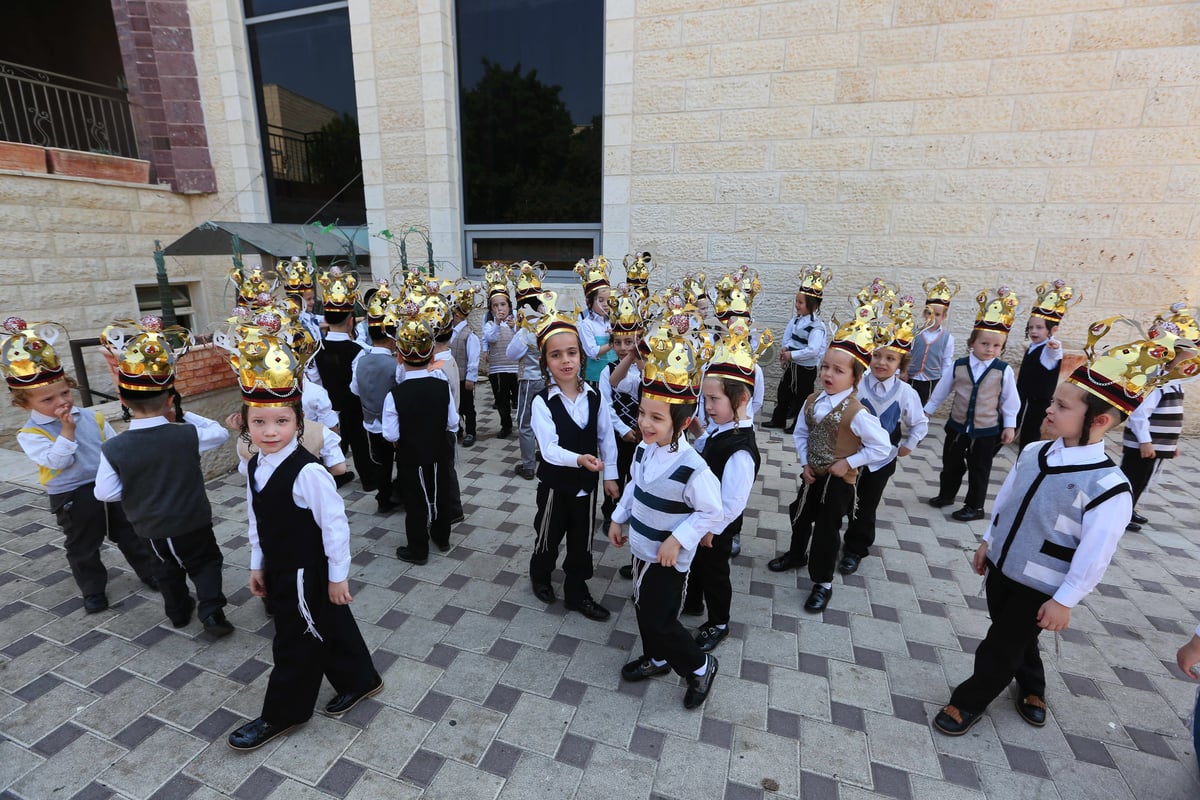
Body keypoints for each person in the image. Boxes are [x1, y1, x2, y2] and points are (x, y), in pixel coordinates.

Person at [931, 321, 1182, 736]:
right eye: (1054, 400)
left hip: (1042, 584)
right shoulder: (1032, 451)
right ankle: (1033, 686)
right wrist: (988, 542)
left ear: (1099, 421)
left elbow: (1096, 553)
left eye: (1063, 406)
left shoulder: (1109, 487)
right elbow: (1007, 502)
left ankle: (967, 702)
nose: (1049, 409)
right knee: (1018, 639)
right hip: (1002, 566)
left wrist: (1065, 599)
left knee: (1001, 645)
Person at [225, 334, 382, 752]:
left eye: (281, 421)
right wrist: (257, 563)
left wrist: (337, 578)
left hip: (304, 572)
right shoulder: (255, 464)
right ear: (245, 424)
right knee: (328, 623)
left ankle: (283, 713)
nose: (270, 431)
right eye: (259, 422)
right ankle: (362, 679)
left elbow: (335, 526)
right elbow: (258, 517)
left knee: (295, 641)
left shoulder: (308, 473)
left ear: (298, 422)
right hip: (279, 567)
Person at [4, 318, 159, 613]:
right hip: (72, 494)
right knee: (83, 545)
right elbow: (56, 462)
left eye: (65, 393)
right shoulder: (30, 434)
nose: (60, 401)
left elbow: (113, 447)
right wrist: (66, 432)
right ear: (25, 404)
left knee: (130, 533)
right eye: (47, 399)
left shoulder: (92, 417)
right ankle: (93, 590)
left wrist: (127, 474)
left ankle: (150, 572)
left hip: (109, 486)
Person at [609, 321, 723, 708]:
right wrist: (618, 517)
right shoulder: (643, 449)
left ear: (684, 423)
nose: (644, 423)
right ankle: (658, 657)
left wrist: (679, 539)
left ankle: (699, 665)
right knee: (643, 606)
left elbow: (712, 510)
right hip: (641, 545)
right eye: (643, 413)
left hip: (668, 556)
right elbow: (633, 486)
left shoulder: (694, 468)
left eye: (657, 418)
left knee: (661, 616)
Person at [93, 318, 232, 635]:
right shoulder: (186, 435)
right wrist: (181, 415)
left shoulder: (114, 447)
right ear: (170, 400)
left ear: (124, 401)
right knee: (206, 562)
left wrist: (137, 488)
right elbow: (220, 433)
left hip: (150, 528)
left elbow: (105, 493)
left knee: (165, 569)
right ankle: (212, 613)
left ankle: (179, 613)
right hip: (193, 521)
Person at [766, 306, 890, 613]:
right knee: (799, 514)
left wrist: (848, 462)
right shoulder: (813, 401)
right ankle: (797, 555)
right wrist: (804, 464)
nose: (827, 375)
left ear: (856, 378)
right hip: (812, 474)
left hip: (837, 482)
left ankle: (823, 582)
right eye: (825, 367)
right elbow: (800, 434)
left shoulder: (856, 412)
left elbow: (882, 447)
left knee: (826, 530)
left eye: (838, 370)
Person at [527, 291, 619, 621]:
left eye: (571, 353)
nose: (565, 360)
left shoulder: (594, 396)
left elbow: (606, 436)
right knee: (549, 535)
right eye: (555, 355)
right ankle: (540, 575)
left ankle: (577, 592)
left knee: (582, 540)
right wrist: (579, 459)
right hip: (555, 485)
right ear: (545, 361)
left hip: (585, 485)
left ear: (581, 355)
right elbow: (549, 449)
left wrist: (609, 476)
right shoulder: (542, 402)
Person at [682, 321, 766, 652]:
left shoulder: (742, 449)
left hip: (717, 526)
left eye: (714, 399)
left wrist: (711, 529)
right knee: (698, 565)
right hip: (706, 520)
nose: (709, 406)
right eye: (706, 399)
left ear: (741, 398)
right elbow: (707, 450)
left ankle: (719, 621)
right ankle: (692, 601)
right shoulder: (722, 428)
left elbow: (733, 502)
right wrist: (699, 431)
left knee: (715, 573)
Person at [840, 299, 928, 575]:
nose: (881, 362)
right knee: (841, 497)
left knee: (866, 503)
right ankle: (828, 538)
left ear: (901, 364)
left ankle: (855, 548)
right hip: (850, 455)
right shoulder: (857, 383)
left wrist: (908, 446)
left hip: (881, 459)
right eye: (877, 355)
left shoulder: (905, 393)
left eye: (890, 358)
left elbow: (920, 422)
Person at [925, 287, 1021, 523]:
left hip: (986, 430)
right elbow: (942, 390)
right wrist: (926, 412)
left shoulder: (1002, 370)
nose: (990, 349)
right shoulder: (959, 365)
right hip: (958, 426)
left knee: (980, 469)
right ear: (972, 342)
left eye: (996, 346)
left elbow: (1010, 400)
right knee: (951, 464)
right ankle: (947, 494)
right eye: (985, 343)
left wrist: (1009, 426)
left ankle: (975, 506)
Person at [384, 303, 460, 565]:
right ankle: (442, 536)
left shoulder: (395, 395)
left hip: (410, 455)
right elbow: (452, 422)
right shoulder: (441, 386)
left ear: (401, 357)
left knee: (415, 501)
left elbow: (390, 433)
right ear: (430, 355)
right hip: (439, 450)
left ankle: (418, 550)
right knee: (439, 491)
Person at [1120, 302, 1197, 532]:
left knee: (1144, 478)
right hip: (1143, 443)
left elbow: (1171, 415)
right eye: (1184, 358)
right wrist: (1145, 440)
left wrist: (1170, 444)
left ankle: (1130, 508)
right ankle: (1121, 511)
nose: (1188, 364)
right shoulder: (1156, 381)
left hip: (1157, 444)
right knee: (1132, 476)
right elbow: (1140, 413)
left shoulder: (1173, 382)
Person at [310, 268, 371, 489]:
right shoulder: (359, 350)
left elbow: (315, 379)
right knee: (360, 443)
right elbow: (358, 386)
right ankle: (369, 480)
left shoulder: (318, 348)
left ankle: (330, 476)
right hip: (353, 408)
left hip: (329, 405)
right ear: (350, 321)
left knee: (332, 443)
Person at [350, 285, 401, 514]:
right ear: (392, 338)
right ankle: (396, 494)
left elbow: (355, 389)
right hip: (393, 424)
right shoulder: (394, 366)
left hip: (370, 421)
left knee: (380, 462)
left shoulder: (360, 361)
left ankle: (383, 497)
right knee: (398, 460)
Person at [599, 286, 645, 529]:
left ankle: (637, 510)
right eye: (618, 342)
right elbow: (606, 406)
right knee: (615, 470)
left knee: (638, 474)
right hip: (618, 434)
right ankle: (611, 511)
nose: (623, 347)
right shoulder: (607, 373)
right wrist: (621, 429)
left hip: (644, 434)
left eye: (629, 341)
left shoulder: (646, 370)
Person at [764, 266, 828, 432]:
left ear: (812, 304)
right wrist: (785, 350)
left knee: (802, 397)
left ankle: (798, 425)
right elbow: (788, 337)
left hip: (805, 368)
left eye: (800, 302)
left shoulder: (817, 326)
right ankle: (779, 419)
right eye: (797, 302)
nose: (797, 305)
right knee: (783, 392)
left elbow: (813, 350)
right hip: (792, 365)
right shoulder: (796, 320)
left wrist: (791, 354)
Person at [1016, 281, 1072, 448]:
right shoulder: (1033, 347)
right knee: (1012, 426)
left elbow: (1054, 354)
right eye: (1031, 327)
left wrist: (1055, 346)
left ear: (1052, 330)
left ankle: (1024, 464)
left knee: (1029, 433)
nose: (1033, 331)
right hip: (1023, 398)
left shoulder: (1049, 348)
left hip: (1035, 401)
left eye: (1039, 328)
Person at [507, 271, 546, 480]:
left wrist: (517, 331)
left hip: (529, 379)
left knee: (525, 422)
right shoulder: (547, 323)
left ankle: (529, 465)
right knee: (546, 419)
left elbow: (511, 353)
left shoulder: (526, 329)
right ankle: (547, 456)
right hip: (548, 379)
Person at [906, 278, 959, 404]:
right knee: (906, 403)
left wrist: (945, 380)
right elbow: (904, 353)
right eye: (929, 313)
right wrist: (901, 371)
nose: (932, 317)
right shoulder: (913, 333)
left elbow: (946, 360)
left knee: (922, 405)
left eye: (937, 314)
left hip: (931, 379)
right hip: (910, 376)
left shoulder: (947, 338)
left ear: (944, 316)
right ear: (924, 313)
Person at [483, 267, 519, 440]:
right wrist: (497, 323)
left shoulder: (516, 323)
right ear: (490, 309)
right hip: (498, 369)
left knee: (518, 398)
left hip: (516, 369)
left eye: (503, 304)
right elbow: (490, 338)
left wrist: (515, 327)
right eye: (495, 305)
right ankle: (506, 425)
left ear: (509, 306)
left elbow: (522, 340)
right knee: (502, 399)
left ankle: (524, 424)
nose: (499, 308)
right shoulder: (490, 325)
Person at [575, 257, 616, 389]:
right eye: (601, 300)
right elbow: (592, 352)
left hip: (614, 375)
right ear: (590, 302)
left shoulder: (613, 321)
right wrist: (612, 342)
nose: (606, 304)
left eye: (609, 300)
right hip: (595, 378)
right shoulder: (587, 324)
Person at [448, 286, 481, 447]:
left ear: (456, 315)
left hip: (463, 377)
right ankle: (458, 428)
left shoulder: (469, 335)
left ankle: (471, 431)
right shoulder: (451, 332)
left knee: (468, 406)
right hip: (453, 377)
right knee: (455, 405)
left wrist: (471, 377)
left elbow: (473, 358)